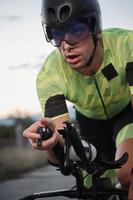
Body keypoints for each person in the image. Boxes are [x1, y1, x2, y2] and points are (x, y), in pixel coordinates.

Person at [23, 0, 133, 199]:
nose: (66, 46)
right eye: (56, 34)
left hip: (127, 115)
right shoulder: (50, 74)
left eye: (75, 31)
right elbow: (62, 153)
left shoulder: (127, 44)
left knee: (127, 173)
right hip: (89, 125)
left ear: (94, 28)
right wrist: (51, 143)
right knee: (92, 190)